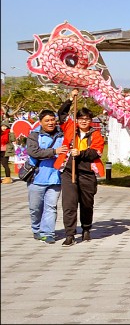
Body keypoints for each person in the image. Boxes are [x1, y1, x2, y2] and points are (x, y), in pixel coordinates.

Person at [56, 89, 105, 246]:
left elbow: (96, 152)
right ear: (76, 120)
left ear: (91, 120)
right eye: (81, 119)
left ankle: (86, 228)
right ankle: (69, 234)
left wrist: (81, 153)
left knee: (86, 204)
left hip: (87, 173)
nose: (84, 121)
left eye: (87, 119)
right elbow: (62, 114)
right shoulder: (70, 127)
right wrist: (70, 98)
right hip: (69, 171)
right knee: (69, 204)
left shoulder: (96, 134)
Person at [26, 110, 68, 244]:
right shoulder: (34, 136)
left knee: (51, 207)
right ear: (41, 122)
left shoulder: (62, 134)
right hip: (37, 178)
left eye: (52, 120)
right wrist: (54, 151)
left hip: (55, 178)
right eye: (47, 120)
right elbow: (34, 152)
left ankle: (48, 232)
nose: (51, 123)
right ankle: (37, 229)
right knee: (35, 208)